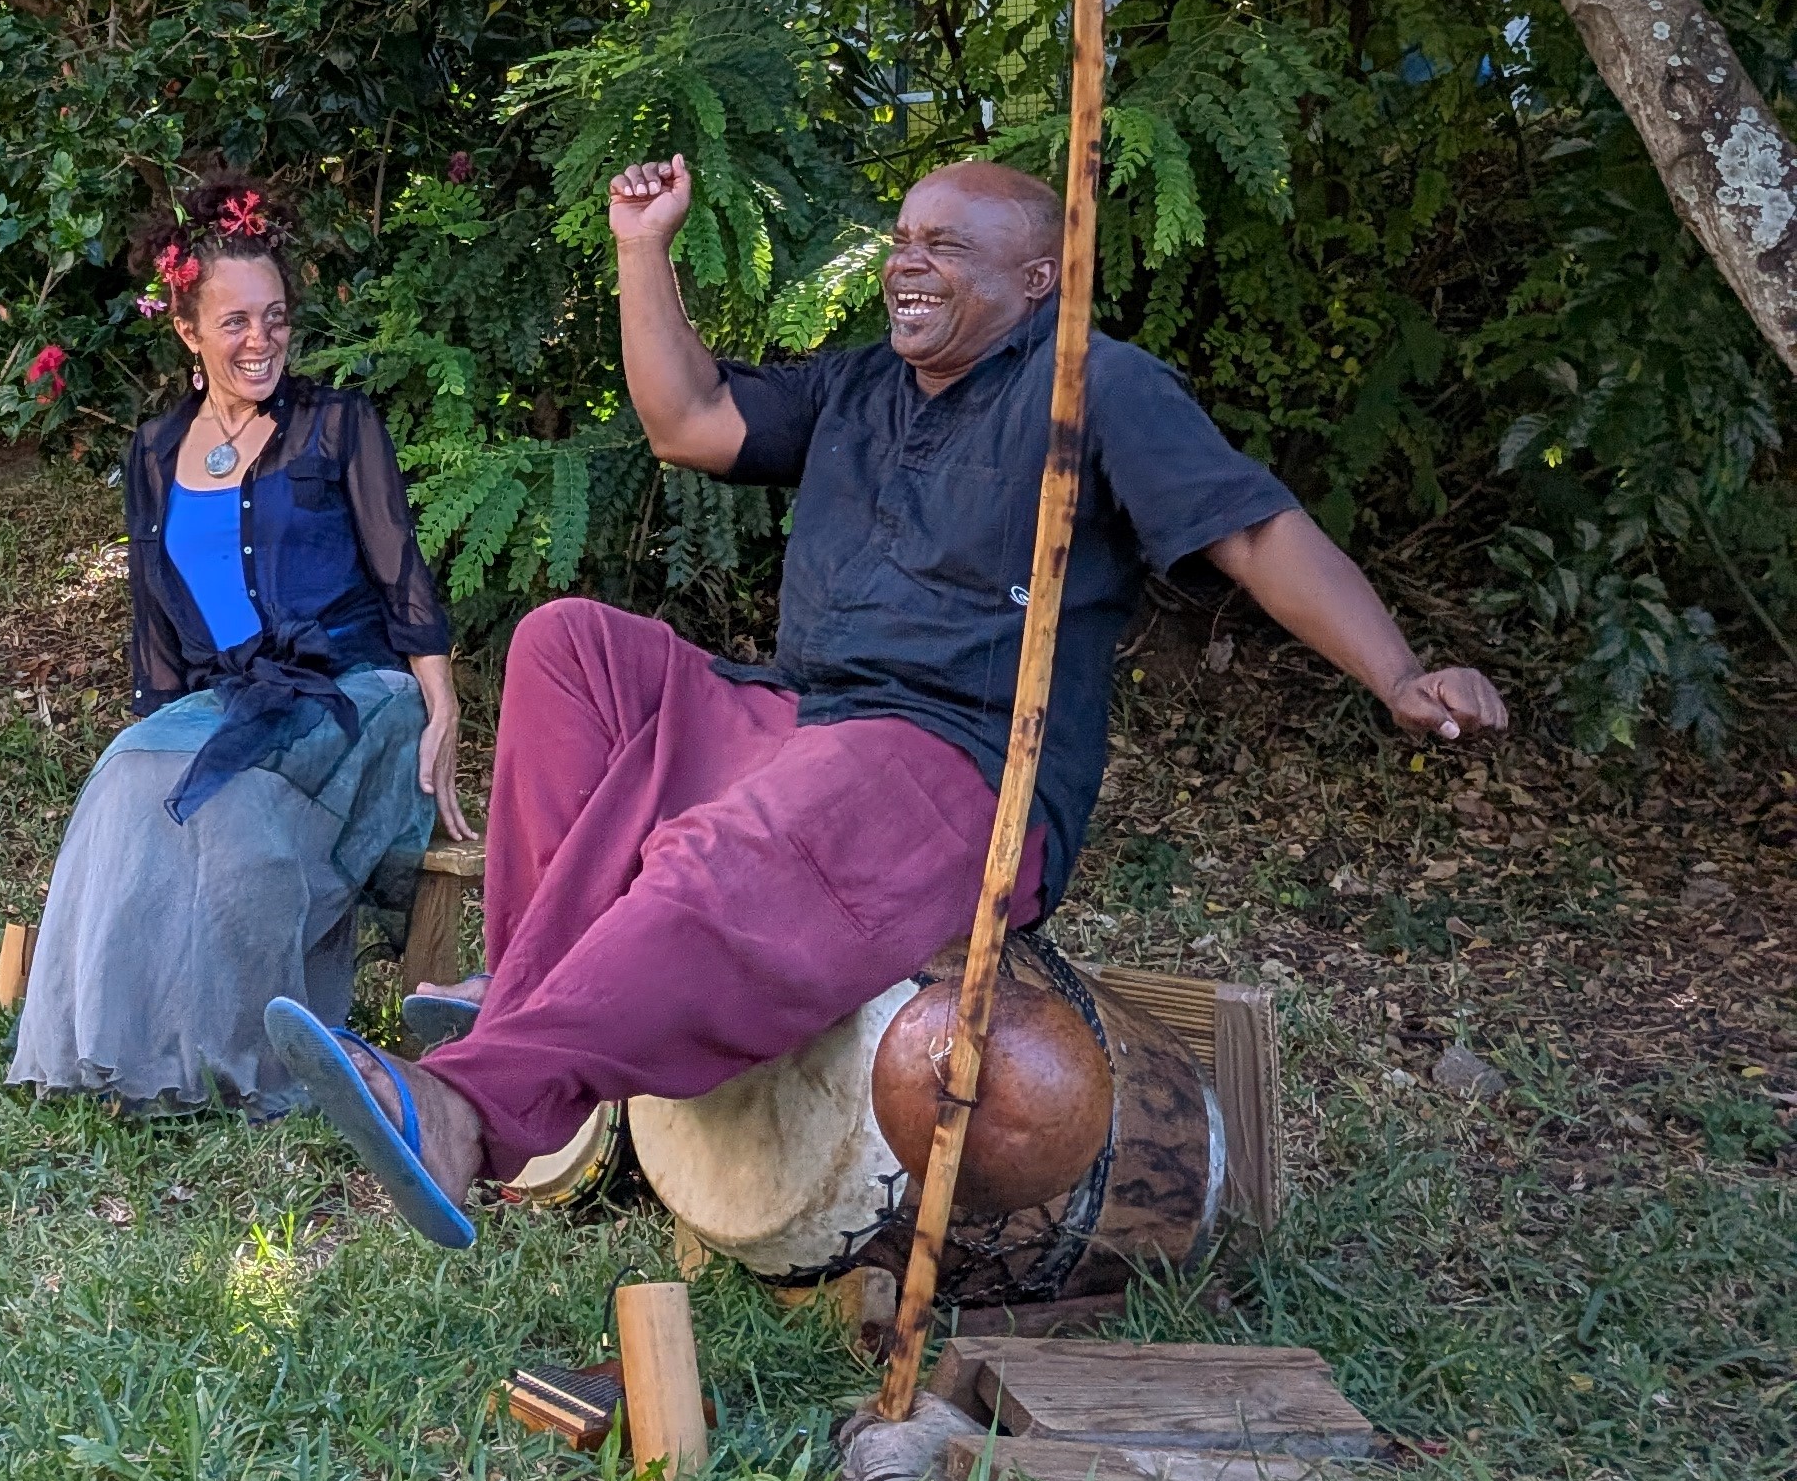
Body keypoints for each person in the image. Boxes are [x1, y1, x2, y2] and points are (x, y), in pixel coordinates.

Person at [264, 150, 1506, 1242]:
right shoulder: (860, 384)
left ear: (1036, 282)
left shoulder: (1093, 387)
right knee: (566, 642)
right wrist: (641, 251)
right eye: (904, 241)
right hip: (803, 719)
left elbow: (1256, 534)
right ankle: (530, 990)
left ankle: (474, 1107)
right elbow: (690, 423)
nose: (908, 263)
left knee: (730, 846)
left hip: (957, 765)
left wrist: (1397, 671)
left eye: (948, 247)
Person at [10, 175, 472, 1119]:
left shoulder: (336, 426)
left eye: (276, 318)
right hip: (230, 700)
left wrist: (444, 708)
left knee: (231, 818)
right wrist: (160, 725)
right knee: (128, 785)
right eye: (235, 323)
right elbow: (155, 615)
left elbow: (404, 580)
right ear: (187, 330)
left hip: (353, 691)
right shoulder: (151, 452)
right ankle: (122, 1051)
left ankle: (243, 1065)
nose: (259, 341)